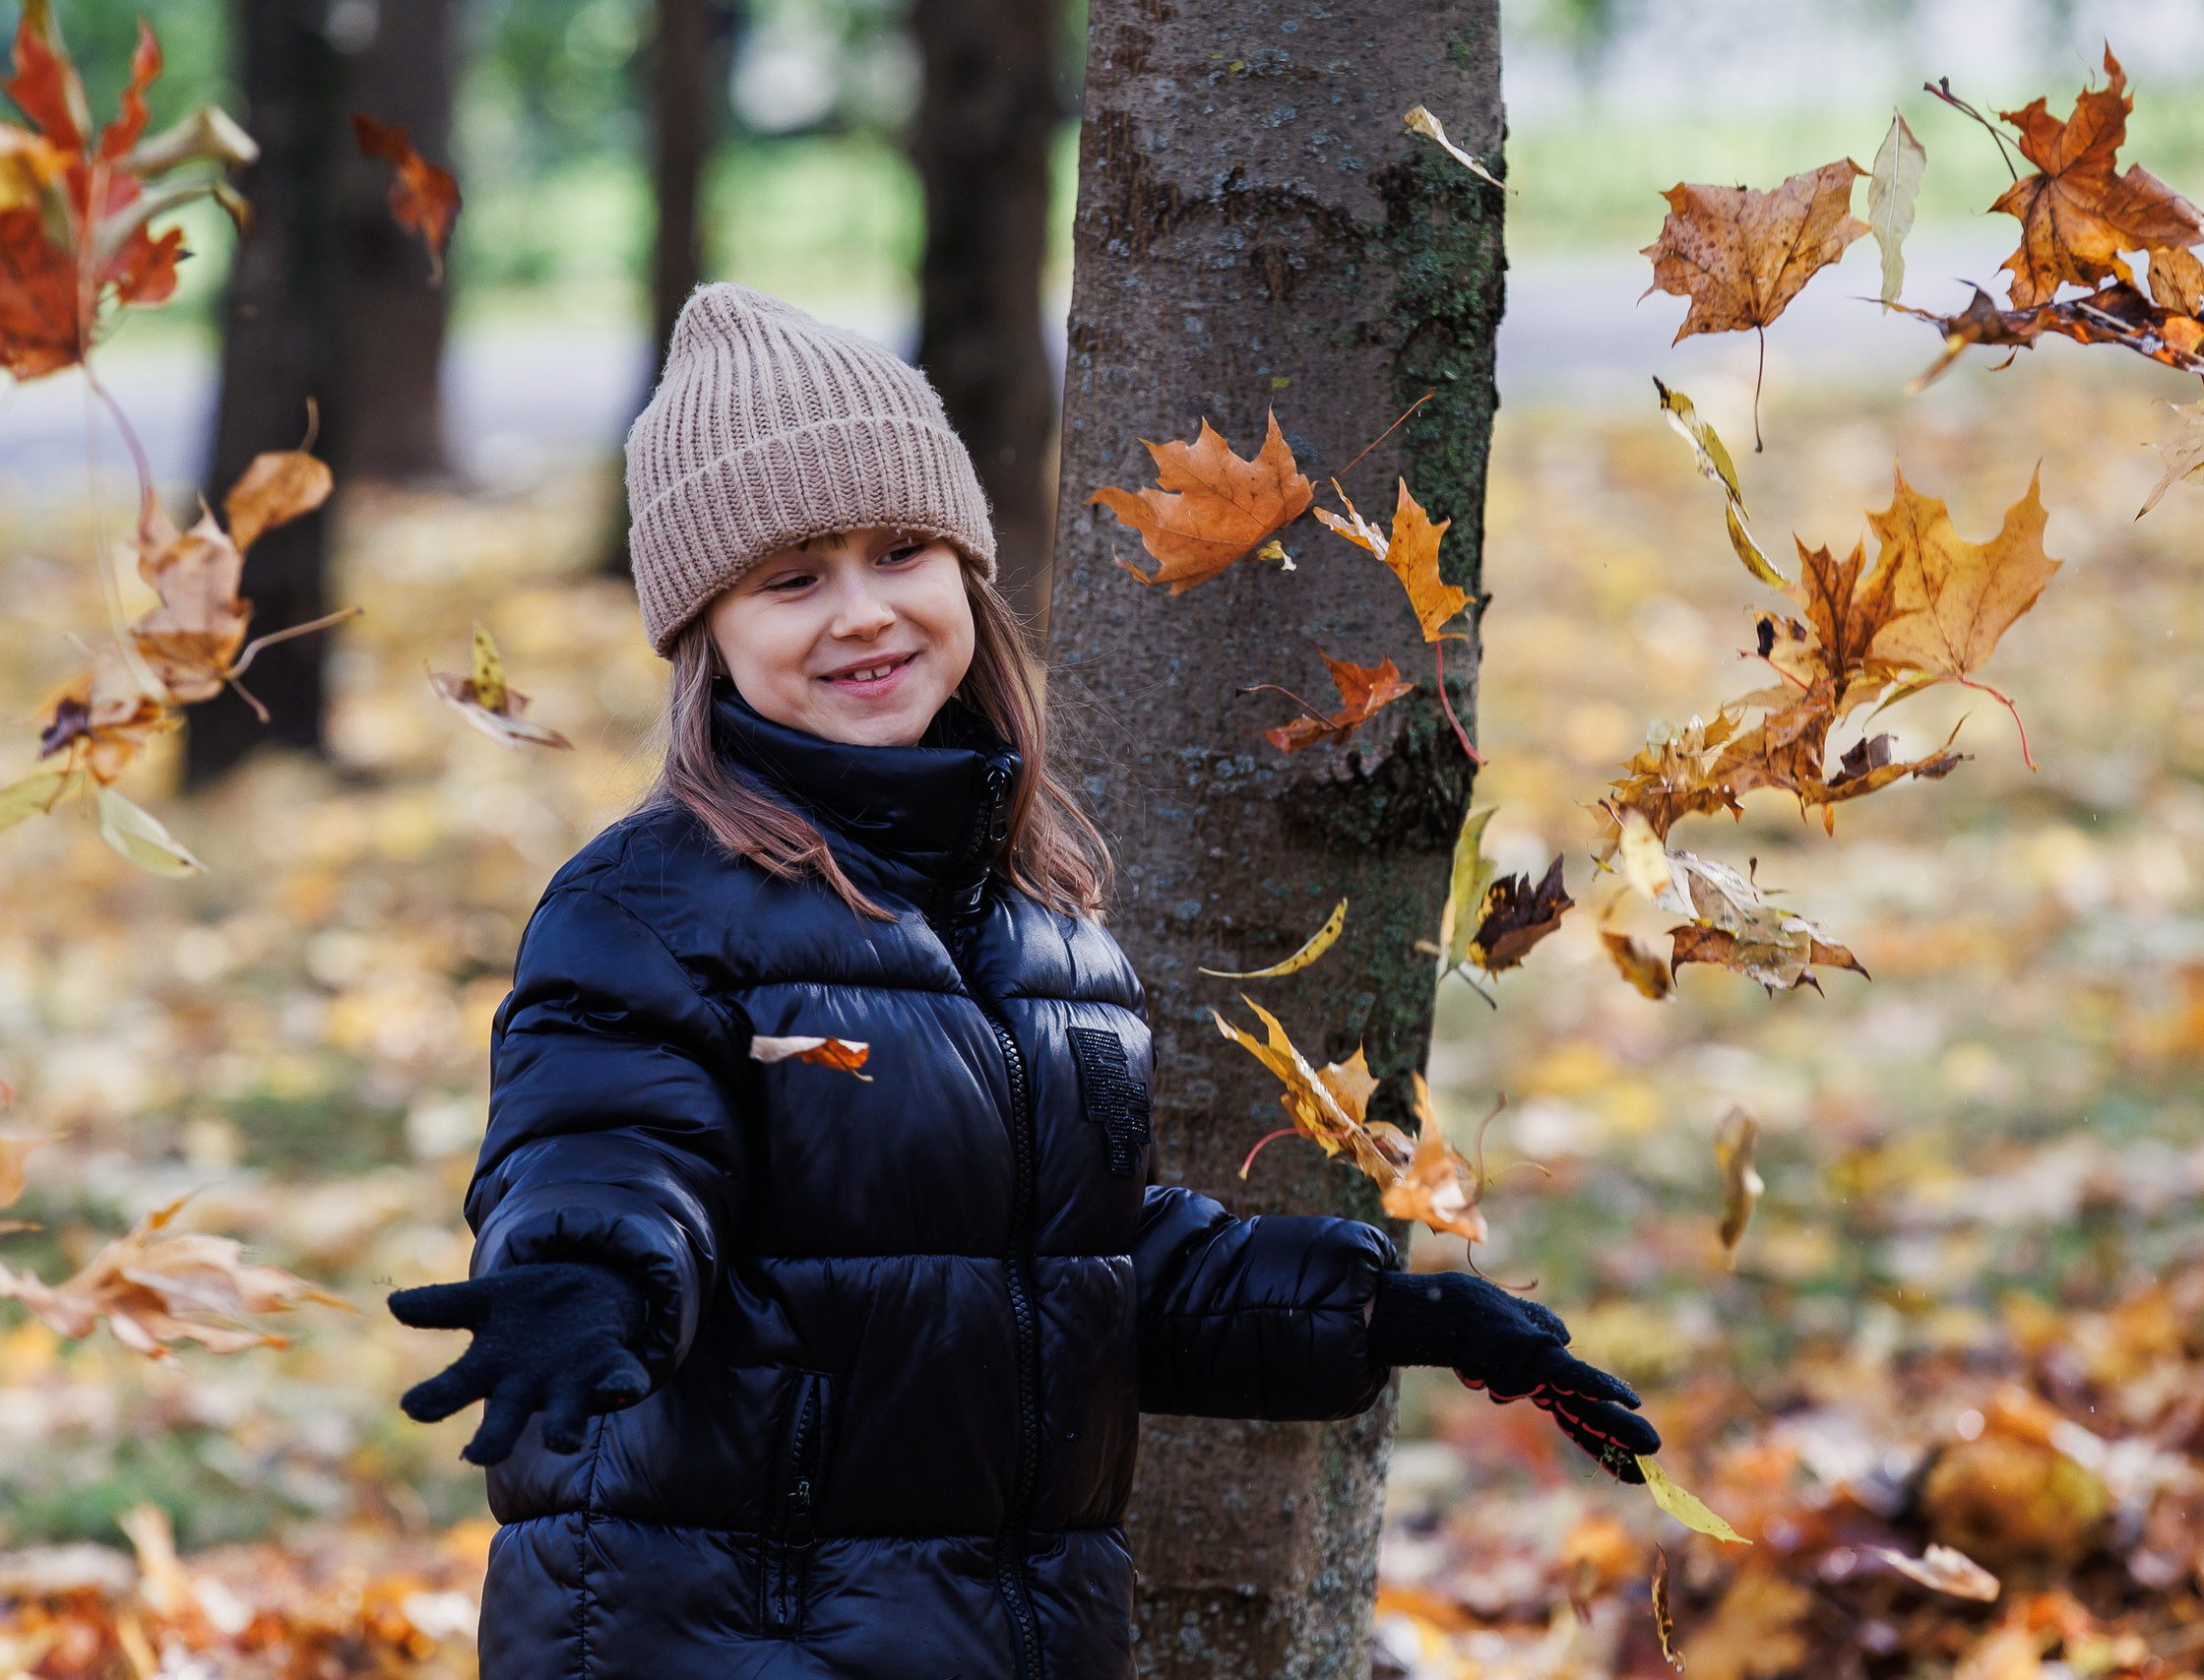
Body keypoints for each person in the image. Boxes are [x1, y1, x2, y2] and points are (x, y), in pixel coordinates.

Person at [389, 282, 1660, 1679]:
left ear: (966, 573)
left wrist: (1381, 1314)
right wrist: (582, 1282)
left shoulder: (1045, 925)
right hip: (722, 1633)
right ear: (707, 635)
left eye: (900, 553)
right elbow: (610, 1151)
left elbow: (1072, 1270)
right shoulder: (646, 908)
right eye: (792, 579)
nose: (862, 614)